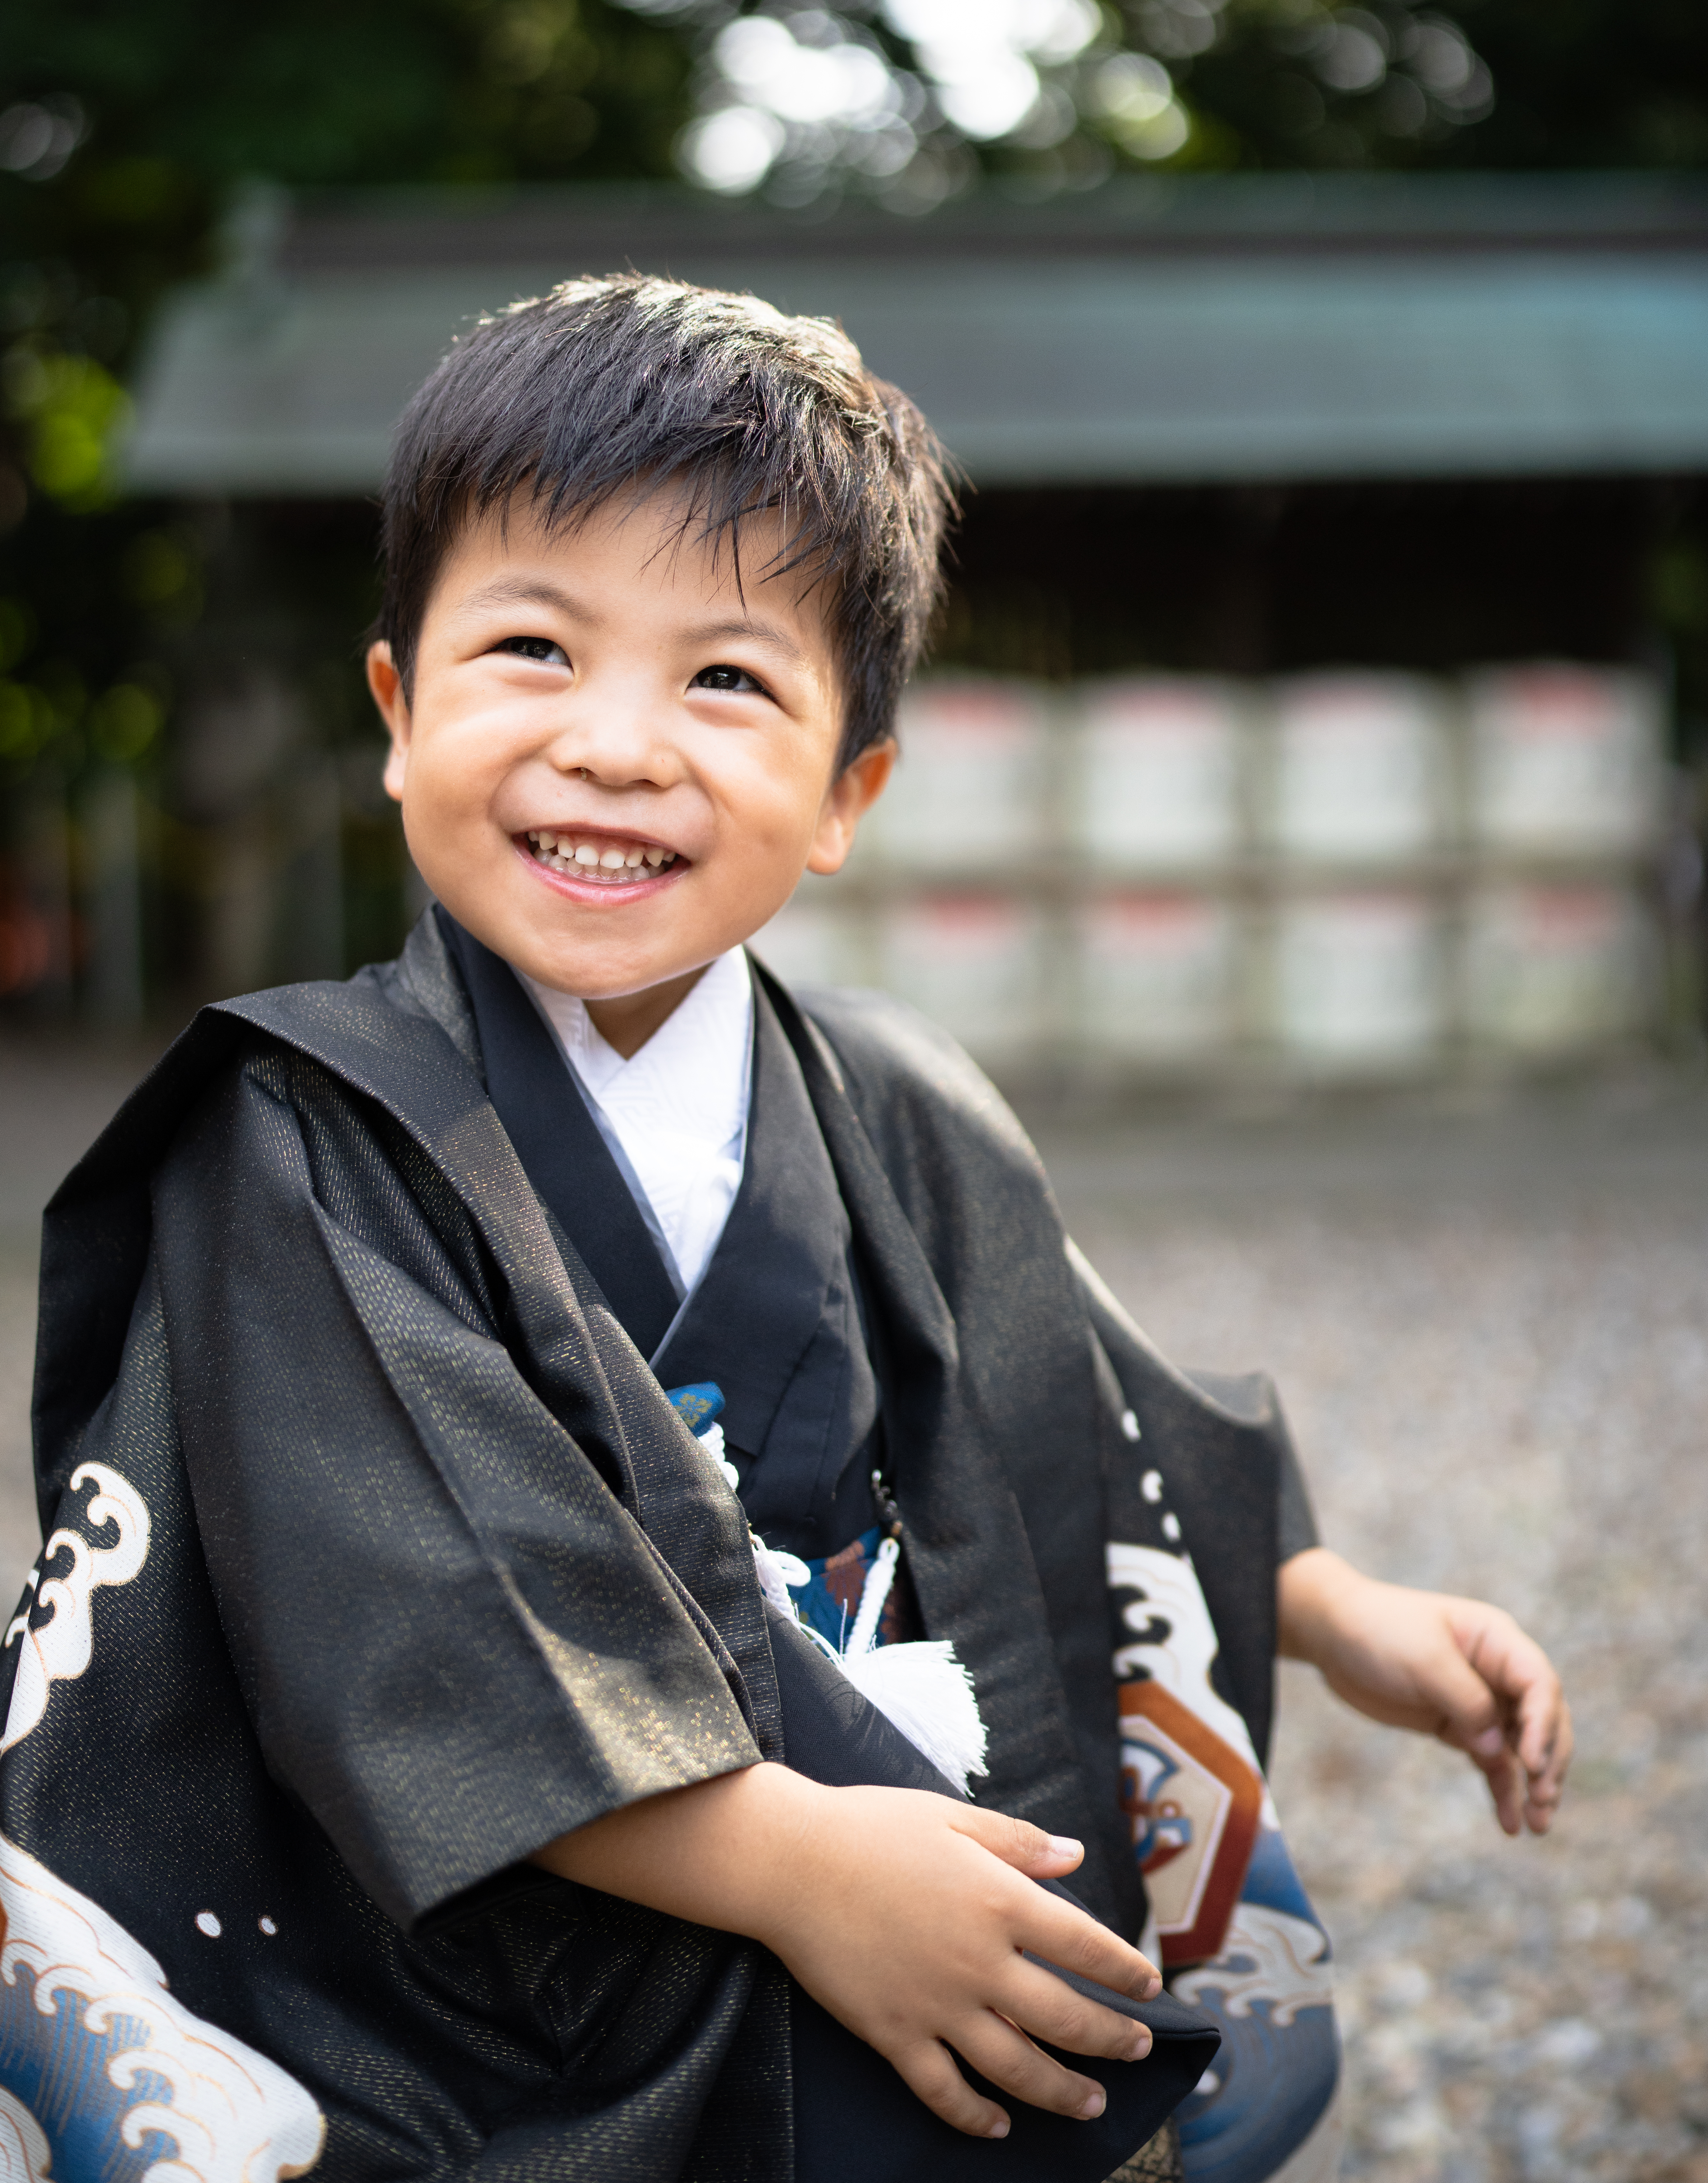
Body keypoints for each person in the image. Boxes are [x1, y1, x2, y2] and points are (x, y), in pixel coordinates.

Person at [0, 279, 1571, 2183]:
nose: (617, 745)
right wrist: (794, 1864)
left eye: (725, 679)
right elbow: (407, 1636)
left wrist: (1335, 1617)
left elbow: (1057, 1414)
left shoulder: (891, 1097)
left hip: (859, 1807)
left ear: (848, 794)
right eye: (534, 649)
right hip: (492, 1943)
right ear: (401, 713)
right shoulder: (300, 1131)